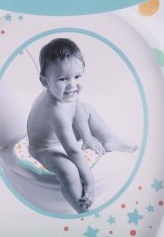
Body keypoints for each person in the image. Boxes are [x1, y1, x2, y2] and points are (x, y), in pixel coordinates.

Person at [27, 38, 138, 213]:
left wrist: (88, 140)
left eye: (77, 77)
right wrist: (89, 182)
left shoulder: (70, 92)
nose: (72, 85)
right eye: (62, 79)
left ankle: (109, 139)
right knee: (69, 170)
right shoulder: (55, 112)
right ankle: (80, 206)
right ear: (45, 82)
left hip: (59, 134)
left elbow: (78, 113)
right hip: (45, 148)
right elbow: (73, 151)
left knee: (87, 110)